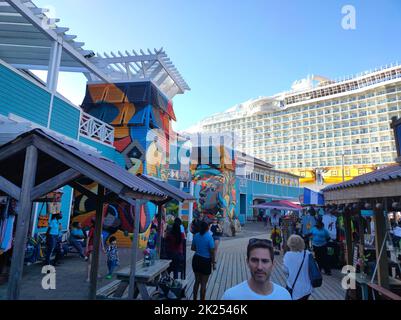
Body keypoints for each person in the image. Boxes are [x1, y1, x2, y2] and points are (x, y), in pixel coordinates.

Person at [222, 238, 291, 300]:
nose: (259, 267)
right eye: (254, 260)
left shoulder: (285, 296)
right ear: (247, 262)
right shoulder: (231, 296)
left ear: (273, 264)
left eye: (265, 261)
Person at [283, 235, 313, 300]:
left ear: (290, 244)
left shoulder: (288, 255)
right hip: (307, 288)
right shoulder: (307, 254)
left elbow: (285, 271)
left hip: (293, 286)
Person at [191, 221, 215, 300]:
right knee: (203, 284)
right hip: (205, 261)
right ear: (207, 228)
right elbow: (212, 251)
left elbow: (193, 248)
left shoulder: (196, 236)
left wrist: (200, 248)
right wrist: (213, 263)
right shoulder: (209, 237)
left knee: (196, 281)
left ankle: (194, 298)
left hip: (196, 259)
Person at [85, 217, 105, 282]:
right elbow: (88, 238)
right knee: (90, 262)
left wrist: (102, 247)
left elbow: (101, 238)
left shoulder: (99, 229)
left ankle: (97, 273)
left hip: (97, 247)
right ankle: (88, 277)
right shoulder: (92, 229)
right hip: (92, 247)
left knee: (97, 262)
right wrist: (87, 247)